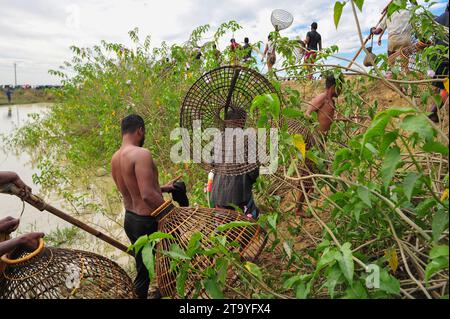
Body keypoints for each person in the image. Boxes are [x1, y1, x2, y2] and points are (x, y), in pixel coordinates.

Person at [111, 114, 178, 299]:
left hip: (131, 221)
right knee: (172, 264)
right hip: (149, 223)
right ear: (140, 130)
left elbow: (133, 189)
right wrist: (174, 214)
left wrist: (164, 188)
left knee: (142, 272)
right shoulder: (141, 154)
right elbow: (147, 195)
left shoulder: (115, 158)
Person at [210, 110, 260, 219]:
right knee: (247, 225)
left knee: (223, 229)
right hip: (239, 196)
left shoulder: (218, 138)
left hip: (217, 195)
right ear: (241, 122)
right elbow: (254, 172)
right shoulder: (247, 139)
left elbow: (212, 163)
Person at [371, 6, 414, 74]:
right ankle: (405, 71)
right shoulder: (408, 12)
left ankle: (391, 72)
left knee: (391, 58)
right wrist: (380, 37)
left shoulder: (388, 14)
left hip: (394, 40)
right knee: (405, 58)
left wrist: (372, 30)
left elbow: (378, 31)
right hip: (406, 40)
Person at [428, 4, 449, 123]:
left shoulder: (437, 20)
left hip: (437, 60)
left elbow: (425, 39)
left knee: (445, 86)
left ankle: (433, 112)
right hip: (447, 59)